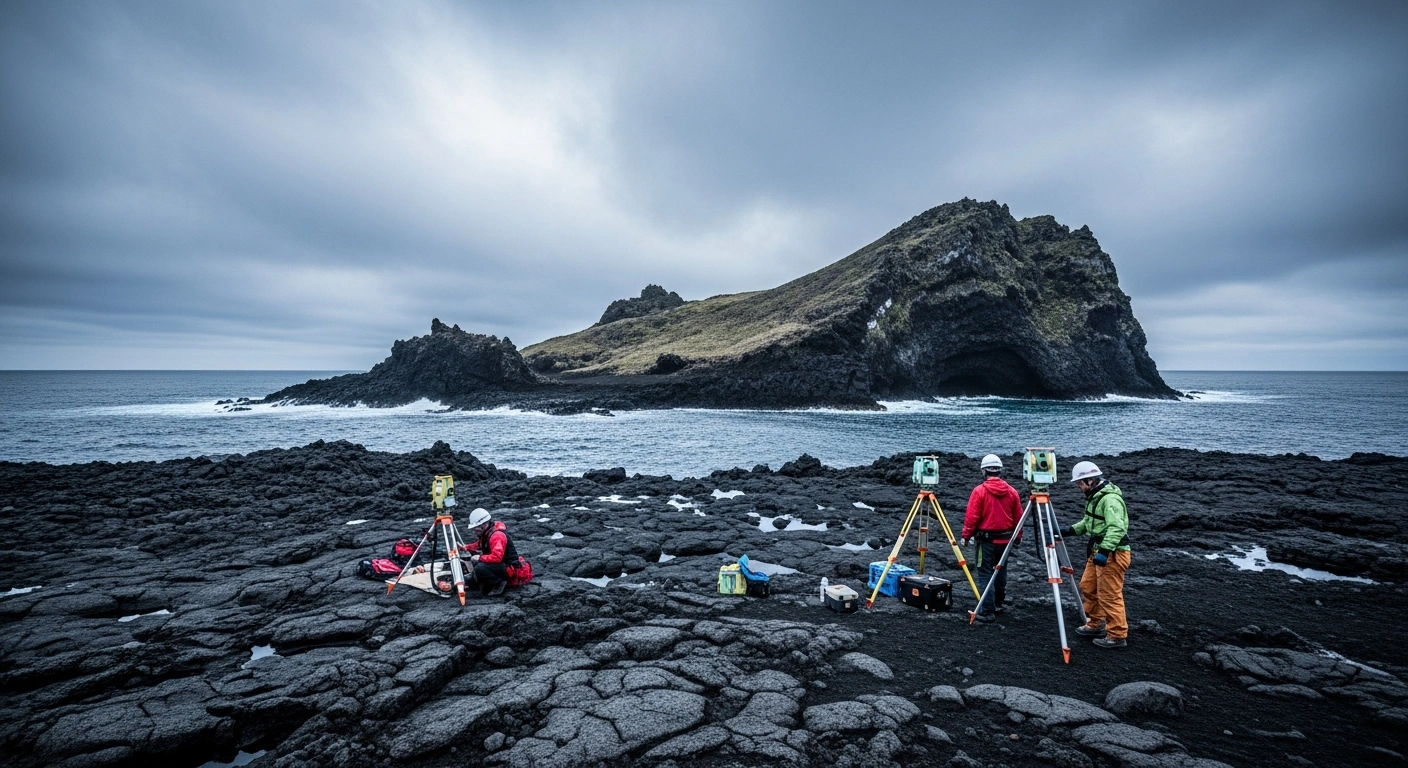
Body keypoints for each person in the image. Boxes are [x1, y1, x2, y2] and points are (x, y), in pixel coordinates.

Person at [1060, 461, 1131, 649]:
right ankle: (1095, 623)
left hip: (1113, 553)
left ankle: (1117, 635)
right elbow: (1089, 522)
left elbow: (1117, 528)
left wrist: (1105, 551)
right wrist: (1070, 530)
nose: (1078, 487)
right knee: (1088, 586)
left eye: (1079, 483)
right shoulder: (1095, 497)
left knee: (1109, 594)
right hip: (1098, 550)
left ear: (1090, 481)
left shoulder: (1110, 500)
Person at [961, 454, 1022, 622]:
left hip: (986, 541)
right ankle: (998, 603)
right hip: (1005, 540)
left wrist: (966, 536)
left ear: (984, 471)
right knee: (1000, 571)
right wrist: (1018, 537)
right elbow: (1019, 518)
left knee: (985, 573)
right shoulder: (1012, 491)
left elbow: (972, 517)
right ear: (999, 470)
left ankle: (987, 610)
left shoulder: (979, 491)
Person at [464, 508, 533, 596]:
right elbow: (480, 544)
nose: (475, 531)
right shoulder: (488, 532)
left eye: (476, 528)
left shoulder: (497, 536)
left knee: (480, 568)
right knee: (478, 569)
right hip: (503, 565)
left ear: (484, 525)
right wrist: (466, 547)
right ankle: (487, 582)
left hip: (511, 569)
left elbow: (497, 557)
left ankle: (499, 584)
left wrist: (480, 558)